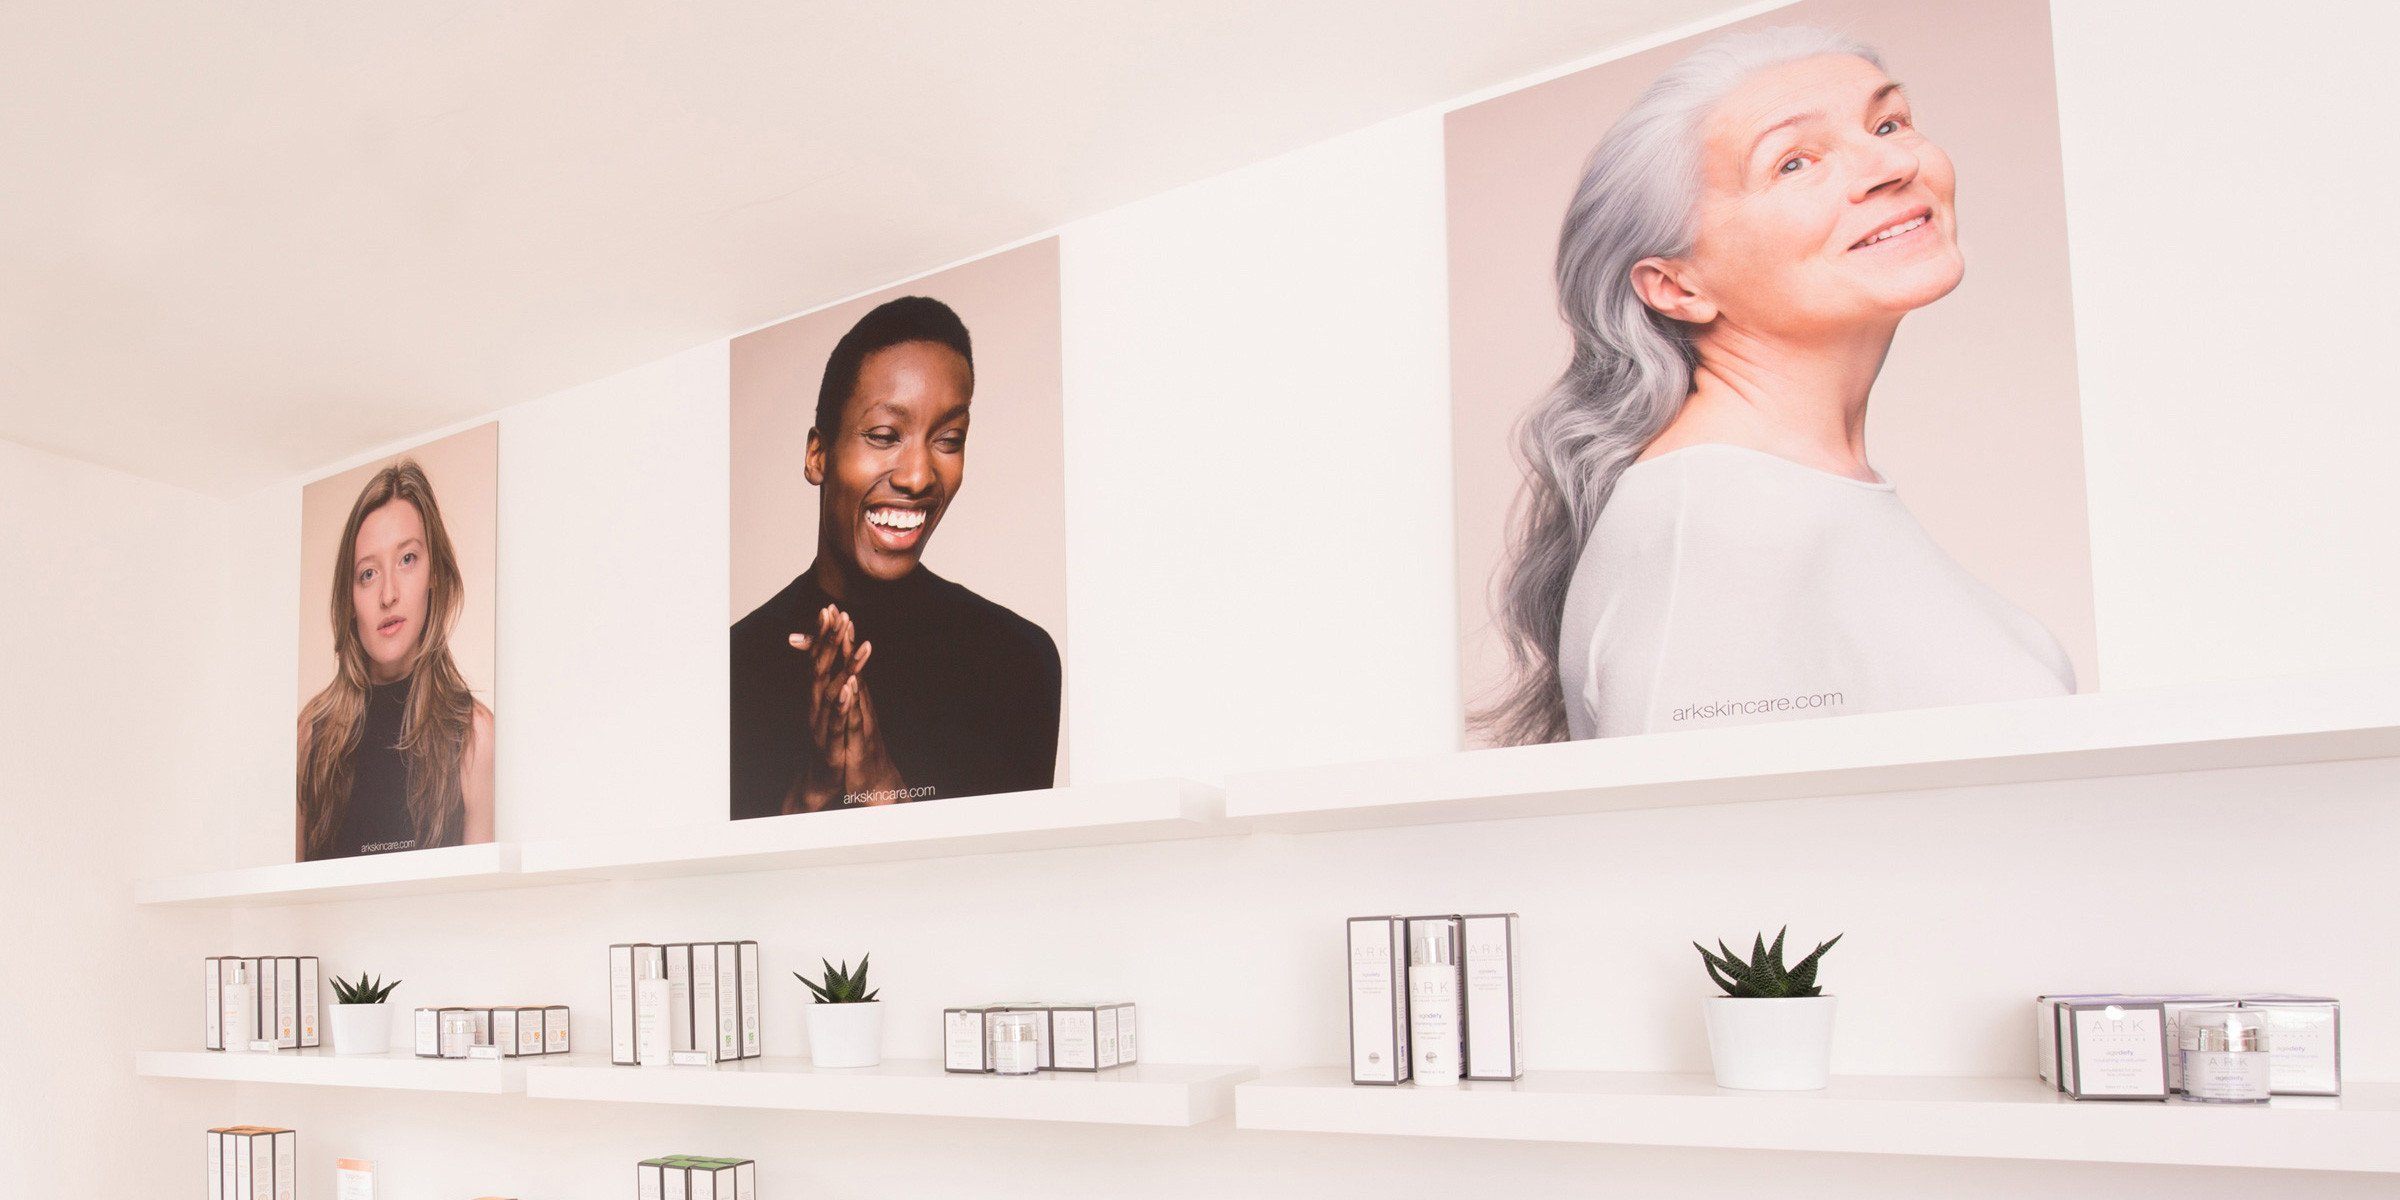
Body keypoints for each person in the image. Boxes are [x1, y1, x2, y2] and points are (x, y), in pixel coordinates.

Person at [1479, 26, 2075, 746]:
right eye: (1794, 163)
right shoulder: (1720, 533)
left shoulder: (1778, 503)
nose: (1889, 162)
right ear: (1676, 285)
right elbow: (1694, 851)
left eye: (1888, 122)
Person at [729, 295, 1061, 818]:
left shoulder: (1017, 661)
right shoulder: (734, 667)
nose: (918, 476)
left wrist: (878, 779)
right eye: (884, 436)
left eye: (949, 439)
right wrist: (817, 785)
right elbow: (725, 889)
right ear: (819, 455)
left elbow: (1005, 883)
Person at [296, 460, 495, 860]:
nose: (388, 594)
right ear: (349, 598)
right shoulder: (310, 736)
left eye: (407, 560)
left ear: (434, 572)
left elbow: (482, 912)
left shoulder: (475, 735)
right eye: (368, 574)